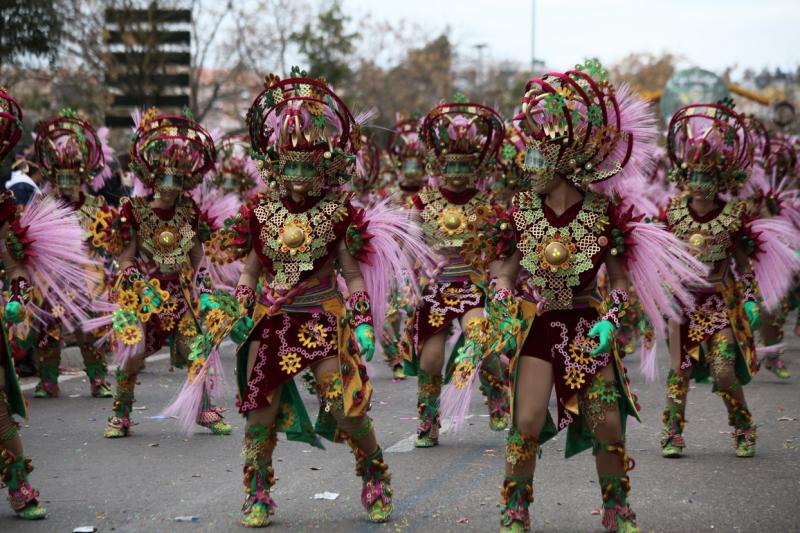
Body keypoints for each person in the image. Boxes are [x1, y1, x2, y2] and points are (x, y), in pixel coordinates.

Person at [165, 69, 430, 527]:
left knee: (345, 406)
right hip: (274, 318)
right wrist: (240, 305)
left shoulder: (339, 212)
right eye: (290, 167)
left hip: (324, 316)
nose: (299, 177)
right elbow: (251, 267)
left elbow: (351, 273)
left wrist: (364, 321)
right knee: (258, 414)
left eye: (308, 167)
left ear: (324, 167)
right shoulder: (261, 212)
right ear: (275, 166)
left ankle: (374, 472)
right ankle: (258, 492)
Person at [490, 62, 707, 533]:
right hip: (542, 326)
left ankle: (616, 505)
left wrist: (611, 317)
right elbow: (504, 272)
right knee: (526, 421)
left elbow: (622, 282)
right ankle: (515, 507)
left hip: (589, 327)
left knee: (607, 423)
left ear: (564, 165)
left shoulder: (605, 215)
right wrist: (503, 297)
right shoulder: (520, 212)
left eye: (538, 159)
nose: (528, 168)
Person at [660, 102, 800, 459]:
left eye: (707, 178)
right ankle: (672, 434)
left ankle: (742, 427)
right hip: (682, 305)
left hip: (720, 303)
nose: (700, 185)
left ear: (720, 180)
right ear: (685, 177)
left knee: (723, 370)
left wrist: (751, 298)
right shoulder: (673, 214)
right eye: (695, 176)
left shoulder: (733, 217)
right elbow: (660, 259)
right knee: (680, 372)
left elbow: (745, 266)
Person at [90, 108, 232, 437]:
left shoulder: (189, 211)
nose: (171, 186)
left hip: (180, 297)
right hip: (143, 295)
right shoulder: (133, 211)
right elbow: (125, 260)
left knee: (197, 349)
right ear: (152, 177)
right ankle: (121, 413)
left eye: (178, 180)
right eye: (165, 178)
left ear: (187, 182)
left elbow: (199, 259)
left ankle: (203, 408)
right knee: (134, 353)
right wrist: (135, 280)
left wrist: (207, 292)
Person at [0, 89, 97, 520]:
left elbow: (15, 265)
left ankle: (19, 485)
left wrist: (17, 297)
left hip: (75, 283)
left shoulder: (5, 210)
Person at [408, 95, 510, 446]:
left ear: (477, 168)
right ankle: (428, 421)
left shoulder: (488, 205)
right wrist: (412, 277)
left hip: (472, 284)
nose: (457, 174)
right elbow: (411, 246)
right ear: (440, 166)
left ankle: (498, 398)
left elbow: (498, 251)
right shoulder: (423, 203)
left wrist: (499, 286)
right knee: (431, 359)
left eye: (464, 166)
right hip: (436, 287)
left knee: (480, 337)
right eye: (451, 166)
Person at [31, 109, 114, 398]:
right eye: (61, 177)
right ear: (54, 177)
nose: (66, 183)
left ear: (82, 176)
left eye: (71, 177)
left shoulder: (96, 205)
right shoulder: (45, 204)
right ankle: (48, 380)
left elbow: (107, 240)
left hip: (86, 278)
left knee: (90, 331)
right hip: (53, 279)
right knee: (49, 330)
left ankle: (98, 378)